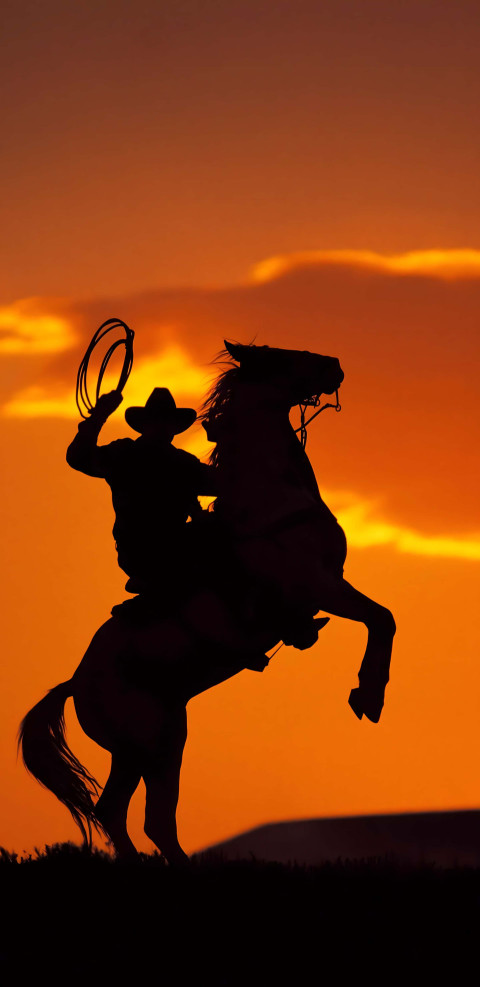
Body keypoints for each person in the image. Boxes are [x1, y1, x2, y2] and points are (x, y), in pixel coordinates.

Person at [67, 387, 269, 670]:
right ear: (147, 424)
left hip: (172, 545)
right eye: (158, 421)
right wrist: (98, 416)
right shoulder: (127, 454)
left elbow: (232, 485)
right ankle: (235, 637)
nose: (163, 428)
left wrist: (232, 438)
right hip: (145, 550)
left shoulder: (181, 463)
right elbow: (78, 458)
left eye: (167, 423)